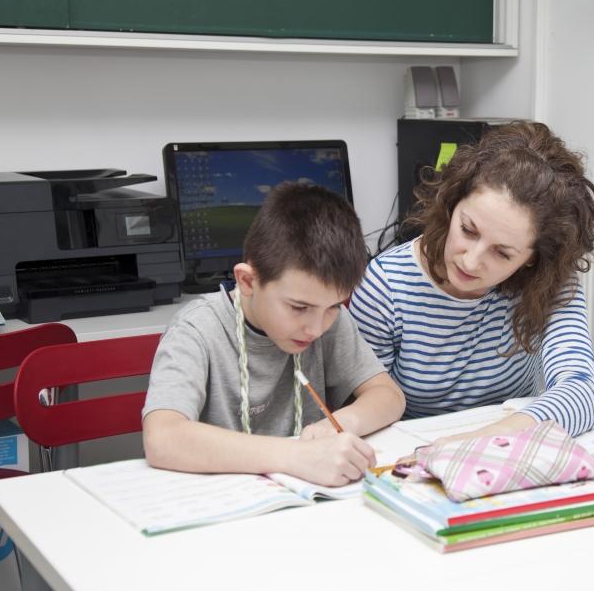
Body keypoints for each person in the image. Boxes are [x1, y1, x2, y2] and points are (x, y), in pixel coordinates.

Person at [349, 121, 594, 438]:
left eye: (502, 253)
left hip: (506, 444)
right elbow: (370, 402)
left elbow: (580, 390)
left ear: (533, 259)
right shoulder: (386, 284)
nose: (471, 260)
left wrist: (485, 438)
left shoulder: (548, 283)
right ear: (452, 204)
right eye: (468, 230)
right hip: (410, 452)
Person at [142, 182, 405, 486]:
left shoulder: (329, 319)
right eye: (298, 307)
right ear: (248, 281)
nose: (316, 328)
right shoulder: (197, 329)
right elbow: (163, 438)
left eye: (333, 306)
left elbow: (389, 396)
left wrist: (341, 424)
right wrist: (296, 456)